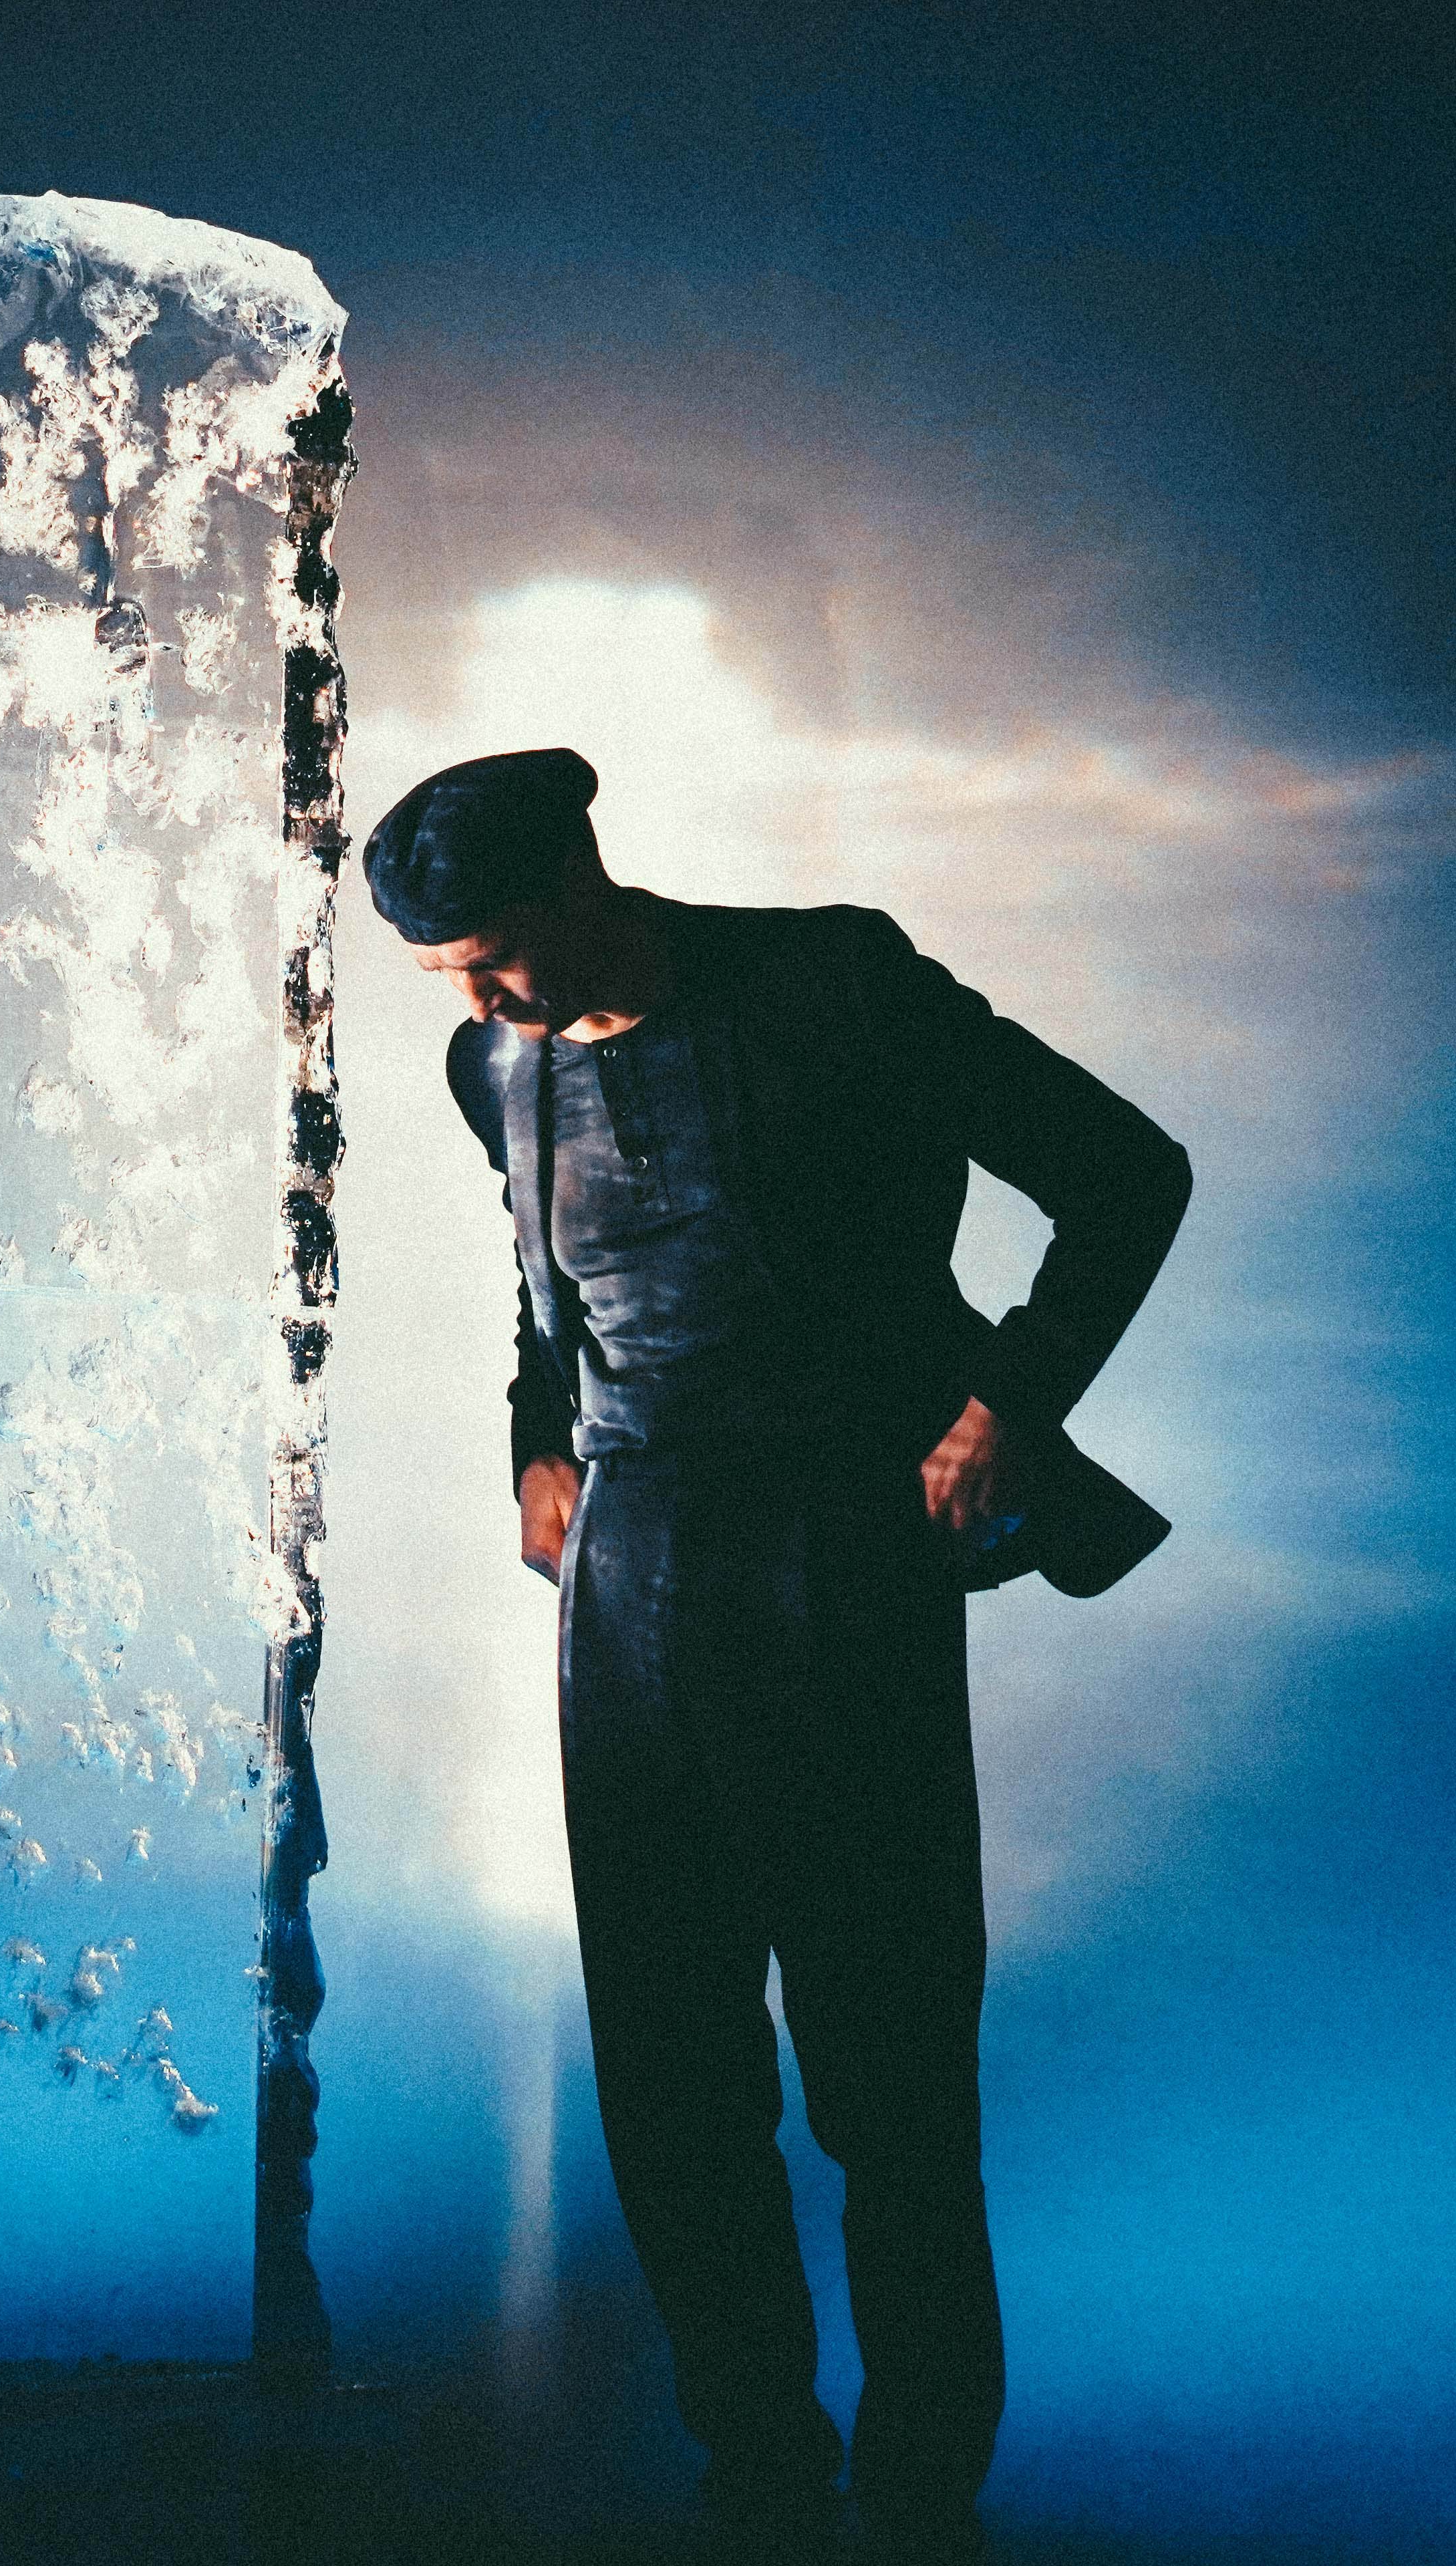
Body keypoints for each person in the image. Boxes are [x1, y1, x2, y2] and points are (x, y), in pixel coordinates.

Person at [363, 744, 1191, 2552]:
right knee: (674, 2080)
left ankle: (917, 2497)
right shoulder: (485, 1060)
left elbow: (1127, 1174)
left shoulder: (828, 979)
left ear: (582, 881)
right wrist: (532, 1438)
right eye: (452, 980)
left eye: (495, 956)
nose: (482, 1002)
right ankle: (760, 2477)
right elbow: (542, 1293)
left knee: (888, 2073)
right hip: (631, 1588)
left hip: (843, 1550)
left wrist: (1006, 1411)